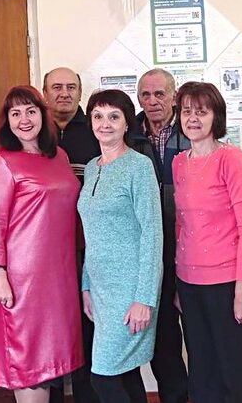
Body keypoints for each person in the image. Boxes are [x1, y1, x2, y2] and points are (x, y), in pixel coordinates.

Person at [0, 86, 83, 402]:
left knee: (53, 363)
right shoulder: (2, 162)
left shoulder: (60, 156)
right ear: (7, 121)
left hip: (60, 276)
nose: (24, 120)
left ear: (42, 114)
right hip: (21, 281)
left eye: (30, 111)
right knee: (29, 364)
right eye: (15, 113)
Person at [172, 82, 242, 402]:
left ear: (216, 116)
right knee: (202, 374)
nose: (193, 118)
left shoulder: (231, 158)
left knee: (235, 375)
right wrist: (179, 286)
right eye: (186, 111)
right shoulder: (179, 162)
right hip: (188, 284)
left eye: (201, 111)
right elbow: (182, 224)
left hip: (227, 284)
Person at [77, 89, 163, 403]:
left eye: (114, 117)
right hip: (101, 290)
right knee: (125, 374)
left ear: (127, 123)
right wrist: (86, 285)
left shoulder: (139, 167)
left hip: (131, 290)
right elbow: (92, 233)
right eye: (98, 116)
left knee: (103, 378)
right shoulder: (91, 167)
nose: (105, 124)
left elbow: (152, 234)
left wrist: (144, 299)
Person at [42, 67, 100, 403]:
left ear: (80, 92)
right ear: (45, 93)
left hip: (89, 248)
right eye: (56, 87)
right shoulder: (33, 131)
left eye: (71, 87)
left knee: (88, 328)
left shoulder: (95, 129)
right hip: (46, 252)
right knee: (51, 331)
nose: (64, 93)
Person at [134, 68, 189, 403]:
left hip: (193, 250)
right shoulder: (129, 135)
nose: (153, 101)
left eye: (160, 93)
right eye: (146, 94)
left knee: (201, 338)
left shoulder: (192, 129)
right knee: (164, 341)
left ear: (174, 95)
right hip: (152, 254)